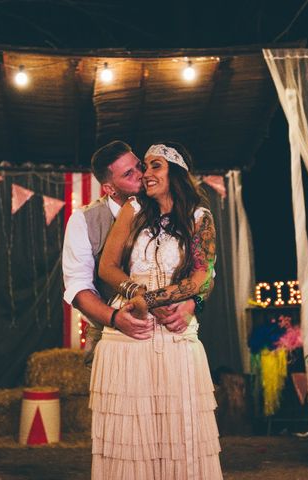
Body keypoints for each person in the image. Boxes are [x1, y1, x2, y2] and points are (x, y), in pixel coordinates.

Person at [92, 142, 223, 479]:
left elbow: (200, 277)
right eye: (144, 167)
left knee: (180, 433)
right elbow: (107, 266)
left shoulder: (200, 217)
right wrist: (136, 291)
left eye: (155, 167)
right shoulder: (133, 208)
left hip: (176, 333)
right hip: (130, 336)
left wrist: (154, 301)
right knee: (131, 434)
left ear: (175, 173)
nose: (146, 175)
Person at [62, 140, 196, 367]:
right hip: (112, 334)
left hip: (172, 335)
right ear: (110, 188)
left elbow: (205, 275)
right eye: (128, 174)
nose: (141, 175)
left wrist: (194, 304)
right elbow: (78, 287)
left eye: (139, 166)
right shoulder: (84, 221)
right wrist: (114, 318)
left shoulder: (176, 210)